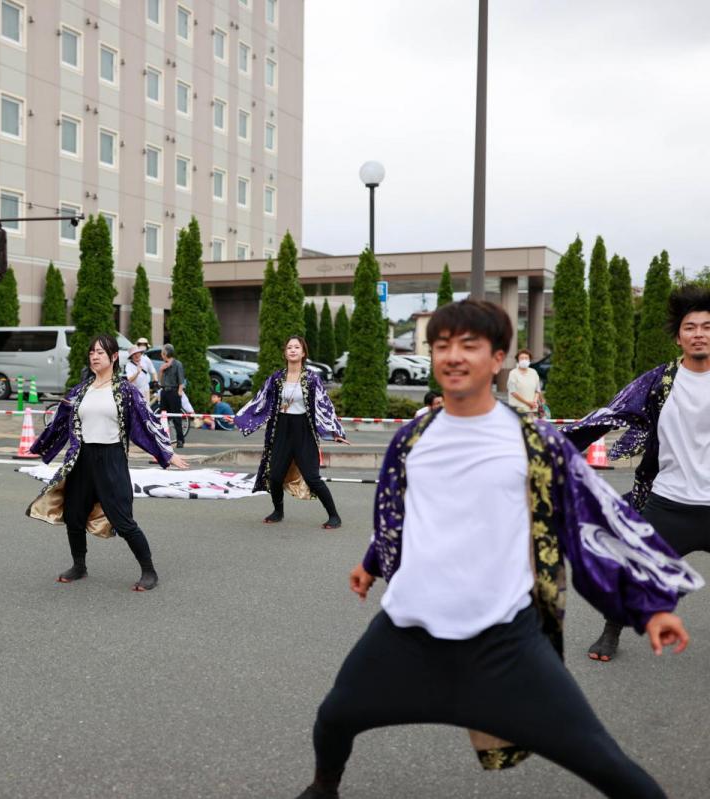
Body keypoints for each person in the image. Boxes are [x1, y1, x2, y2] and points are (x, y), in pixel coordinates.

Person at [296, 300, 701, 799]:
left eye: (469, 345)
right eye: (442, 345)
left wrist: (649, 606)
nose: (453, 356)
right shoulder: (412, 438)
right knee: (335, 716)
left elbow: (593, 525)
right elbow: (398, 515)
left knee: (603, 761)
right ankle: (323, 788)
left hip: (505, 642)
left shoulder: (534, 443)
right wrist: (370, 563)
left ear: (498, 358)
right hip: (406, 629)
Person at [563, 283, 710, 663]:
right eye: (691, 327)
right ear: (678, 337)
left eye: (707, 327)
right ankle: (610, 633)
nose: (699, 334)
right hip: (670, 502)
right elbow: (603, 419)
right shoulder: (658, 382)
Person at [26, 335, 189, 592]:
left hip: (111, 458)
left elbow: (146, 424)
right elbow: (60, 421)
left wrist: (166, 454)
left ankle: (149, 571)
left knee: (123, 520)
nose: (94, 356)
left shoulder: (125, 391)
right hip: (81, 458)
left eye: (101, 352)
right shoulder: (81, 390)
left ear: (113, 357)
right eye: (92, 351)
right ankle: (79, 565)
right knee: (74, 515)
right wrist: (41, 447)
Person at [235, 335, 348, 529]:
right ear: (285, 353)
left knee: (312, 477)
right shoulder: (277, 378)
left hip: (304, 430)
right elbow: (260, 400)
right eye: (289, 347)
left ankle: (334, 516)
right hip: (281, 429)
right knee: (275, 476)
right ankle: (278, 511)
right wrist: (241, 417)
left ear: (303, 353)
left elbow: (324, 406)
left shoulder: (312, 378)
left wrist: (334, 432)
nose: (293, 350)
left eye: (297, 347)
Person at [157, 344, 186, 448]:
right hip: (164, 391)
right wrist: (161, 370)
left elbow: (181, 381)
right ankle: (162, 439)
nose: (161, 355)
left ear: (166, 354)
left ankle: (180, 440)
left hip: (174, 392)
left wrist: (179, 392)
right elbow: (159, 381)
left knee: (176, 417)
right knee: (163, 417)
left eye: (162, 353)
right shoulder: (163, 364)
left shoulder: (177, 364)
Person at [506, 348, 543, 419]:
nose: (524, 360)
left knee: (532, 429)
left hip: (532, 409)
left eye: (526, 358)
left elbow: (537, 390)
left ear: (529, 360)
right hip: (518, 410)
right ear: (518, 360)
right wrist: (528, 403)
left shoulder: (534, 372)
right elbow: (513, 392)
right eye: (521, 358)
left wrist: (534, 401)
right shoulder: (513, 373)